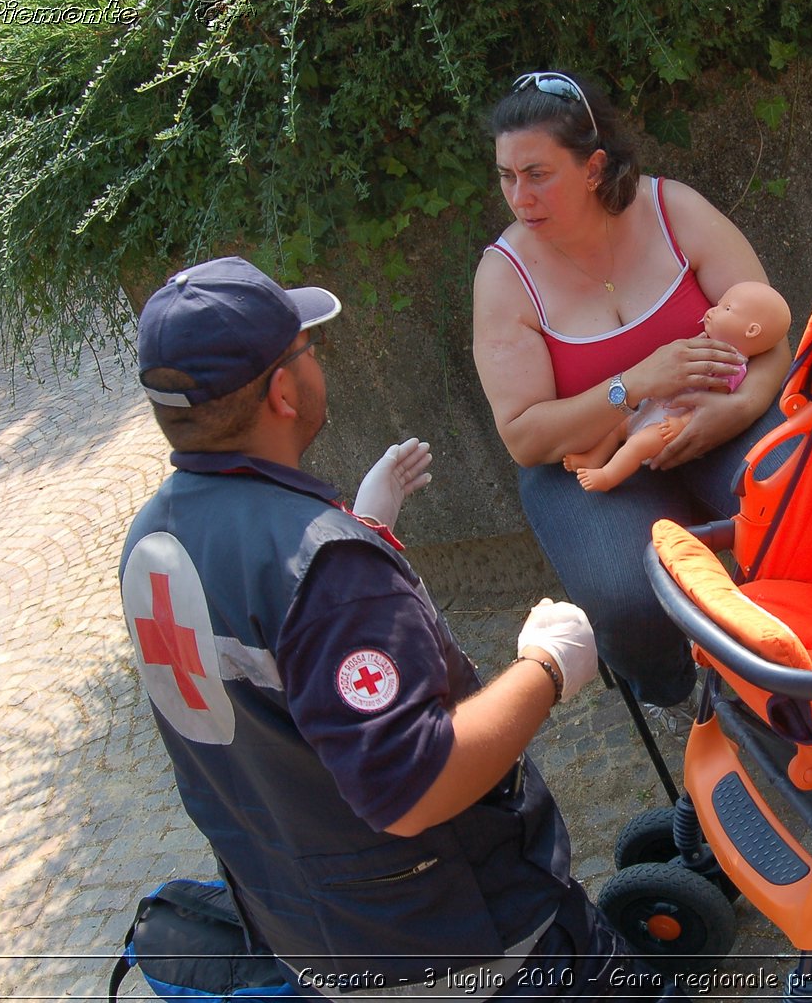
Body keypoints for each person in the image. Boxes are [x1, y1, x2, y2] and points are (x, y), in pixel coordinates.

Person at [119, 256, 683, 999]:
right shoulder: (324, 573)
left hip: (310, 932)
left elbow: (280, 677)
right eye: (306, 349)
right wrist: (547, 666)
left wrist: (362, 528)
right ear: (283, 391)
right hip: (463, 942)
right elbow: (418, 786)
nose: (317, 364)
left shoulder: (150, 541)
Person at [473, 71, 790, 708]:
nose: (518, 196)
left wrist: (742, 407)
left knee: (800, 494)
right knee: (631, 593)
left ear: (593, 167)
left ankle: (808, 636)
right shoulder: (504, 277)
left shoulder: (675, 211)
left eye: (537, 173)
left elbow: (773, 333)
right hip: (586, 460)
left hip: (721, 411)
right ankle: (681, 694)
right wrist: (634, 384)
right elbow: (524, 436)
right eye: (507, 176)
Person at [565, 280, 791, 493]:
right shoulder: (705, 342)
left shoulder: (730, 367)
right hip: (654, 405)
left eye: (727, 309)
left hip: (670, 424)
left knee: (638, 444)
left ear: (751, 331)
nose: (713, 310)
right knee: (615, 425)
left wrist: (682, 423)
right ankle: (594, 457)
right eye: (719, 304)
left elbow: (710, 409)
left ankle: (607, 476)